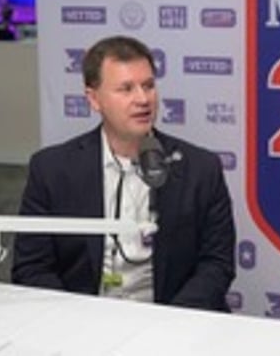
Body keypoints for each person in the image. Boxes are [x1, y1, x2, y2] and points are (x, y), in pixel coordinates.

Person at [12, 35, 236, 311]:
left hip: (174, 324)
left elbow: (216, 265)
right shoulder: (52, 169)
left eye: (148, 86)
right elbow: (31, 267)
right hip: (81, 324)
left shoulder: (201, 169)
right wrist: (75, 322)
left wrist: (170, 326)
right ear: (94, 99)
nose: (143, 99)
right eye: (126, 89)